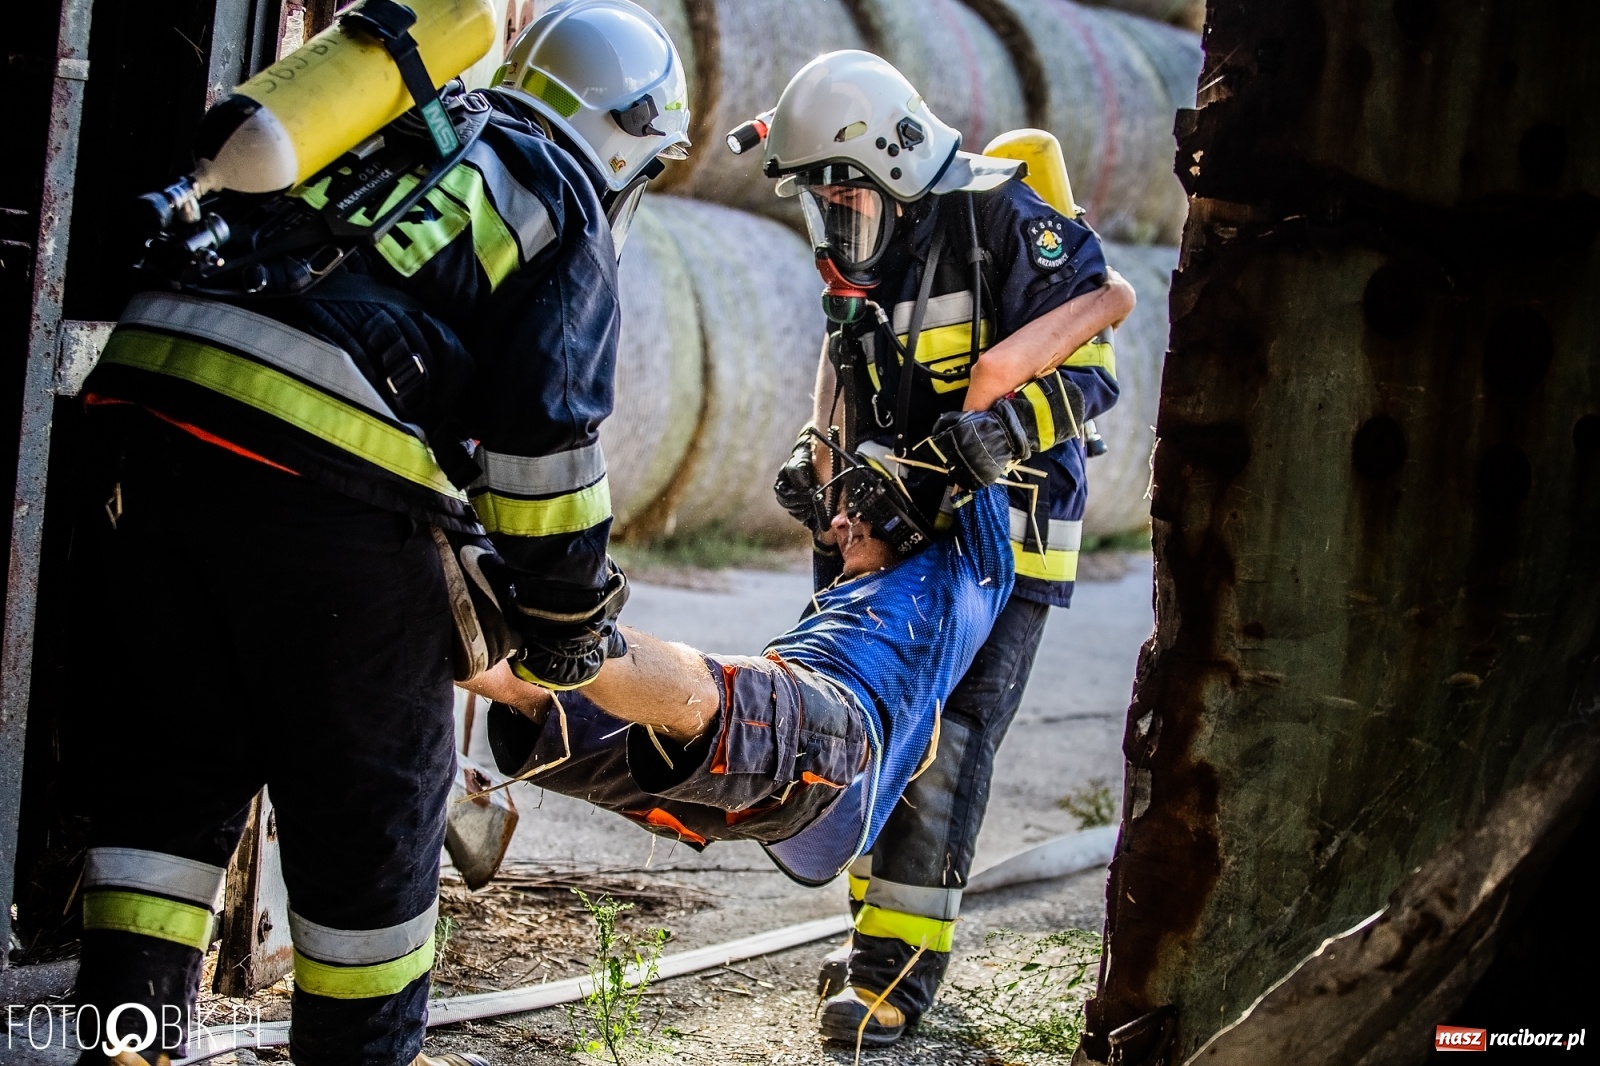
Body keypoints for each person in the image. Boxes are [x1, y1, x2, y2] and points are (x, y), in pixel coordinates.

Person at [69, 2, 688, 1064]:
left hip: (146, 436)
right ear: (623, 140)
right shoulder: (557, 192)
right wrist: (569, 622)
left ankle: (122, 1047)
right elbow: (545, 459)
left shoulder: (381, 120)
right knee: (371, 843)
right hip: (326, 493)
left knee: (159, 801)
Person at [755, 51, 1137, 1044]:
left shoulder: (1007, 223)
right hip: (879, 527)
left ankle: (896, 970)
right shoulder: (862, 257)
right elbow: (846, 373)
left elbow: (1096, 367)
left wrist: (1000, 433)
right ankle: (869, 935)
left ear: (889, 165)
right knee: (859, 727)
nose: (831, 223)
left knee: (943, 743)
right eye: (818, 202)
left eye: (842, 195)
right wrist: (814, 457)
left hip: (997, 542)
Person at [471, 465, 1015, 907]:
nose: (842, 522)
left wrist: (975, 445)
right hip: (753, 776)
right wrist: (814, 460)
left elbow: (986, 407)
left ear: (908, 521)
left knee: (708, 693)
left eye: (859, 506)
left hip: (841, 741)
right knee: (546, 706)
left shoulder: (966, 576)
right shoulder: (846, 575)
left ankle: (570, 625)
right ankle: (440, 620)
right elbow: (841, 353)